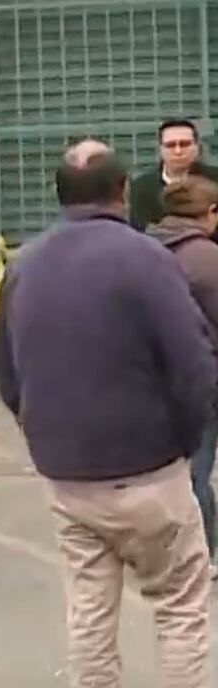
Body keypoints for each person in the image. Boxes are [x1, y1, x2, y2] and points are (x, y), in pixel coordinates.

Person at [0, 142, 215, 687]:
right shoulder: (146, 260)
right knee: (181, 603)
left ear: (59, 196)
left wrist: (43, 433)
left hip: (67, 475)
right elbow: (193, 364)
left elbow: (5, 370)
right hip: (149, 467)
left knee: (89, 609)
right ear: (121, 193)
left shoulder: (24, 266)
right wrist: (185, 442)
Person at [145, 174, 218, 581]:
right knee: (196, 472)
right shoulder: (206, 257)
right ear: (208, 214)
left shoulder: (144, 249)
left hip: (150, 380)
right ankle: (203, 553)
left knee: (165, 472)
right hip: (199, 379)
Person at [129, 118, 218, 233]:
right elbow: (138, 228)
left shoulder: (214, 179)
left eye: (184, 144)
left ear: (196, 147)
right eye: (170, 145)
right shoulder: (141, 186)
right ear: (161, 149)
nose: (178, 151)